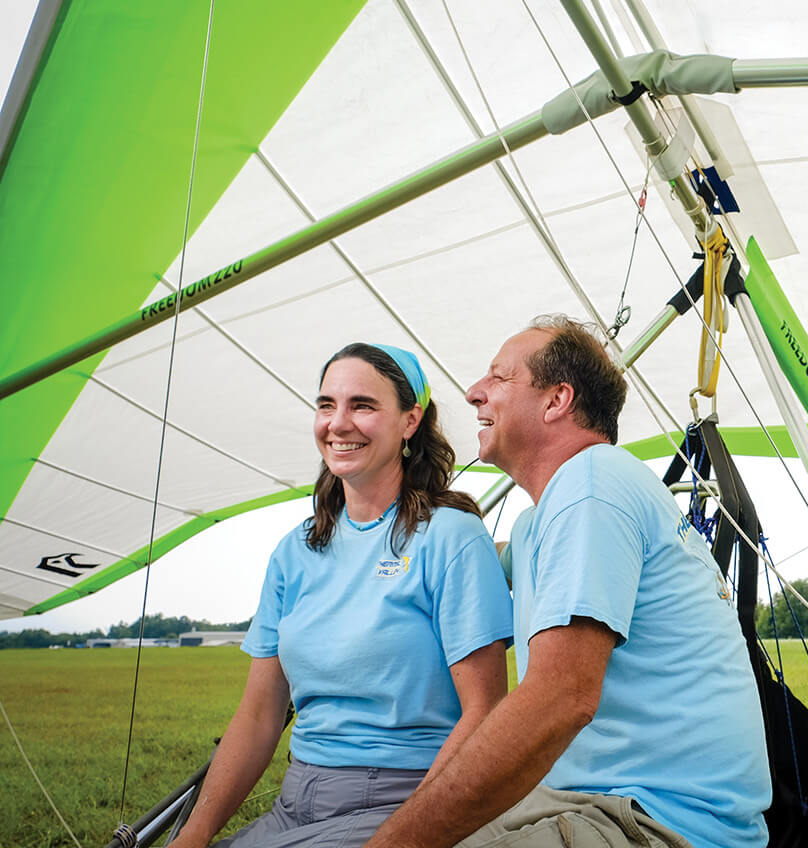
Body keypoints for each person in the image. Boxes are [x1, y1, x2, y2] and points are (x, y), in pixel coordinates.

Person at [364, 316, 770, 848]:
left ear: (556, 401)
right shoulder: (541, 521)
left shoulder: (592, 484)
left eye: (499, 378)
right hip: (590, 799)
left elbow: (561, 698)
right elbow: (465, 565)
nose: (472, 393)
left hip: (664, 821)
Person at [168, 343, 513, 848]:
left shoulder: (451, 537)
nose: (339, 423)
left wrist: (410, 829)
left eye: (363, 406)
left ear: (409, 421)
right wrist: (191, 837)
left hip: (405, 798)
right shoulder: (295, 552)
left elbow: (484, 711)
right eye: (327, 405)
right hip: (295, 802)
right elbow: (259, 715)